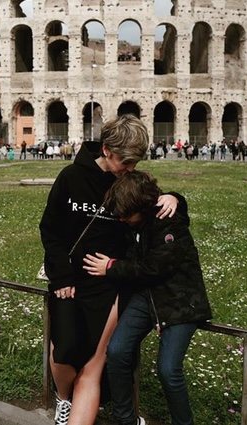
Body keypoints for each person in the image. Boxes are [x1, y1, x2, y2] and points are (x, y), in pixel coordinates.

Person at [39, 115, 179, 425]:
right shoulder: (71, 177)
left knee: (92, 362)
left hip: (109, 282)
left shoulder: (128, 182)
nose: (130, 168)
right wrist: (61, 274)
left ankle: (80, 402)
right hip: (69, 279)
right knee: (65, 350)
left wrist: (175, 198)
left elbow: (155, 210)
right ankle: (64, 398)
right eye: (125, 161)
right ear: (106, 150)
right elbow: (50, 230)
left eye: (135, 162)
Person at [83, 170, 212, 425]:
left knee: (168, 370)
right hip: (148, 295)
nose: (121, 220)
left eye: (126, 215)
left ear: (143, 207)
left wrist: (110, 267)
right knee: (117, 351)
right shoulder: (136, 218)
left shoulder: (168, 220)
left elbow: (154, 268)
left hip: (180, 300)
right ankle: (126, 419)